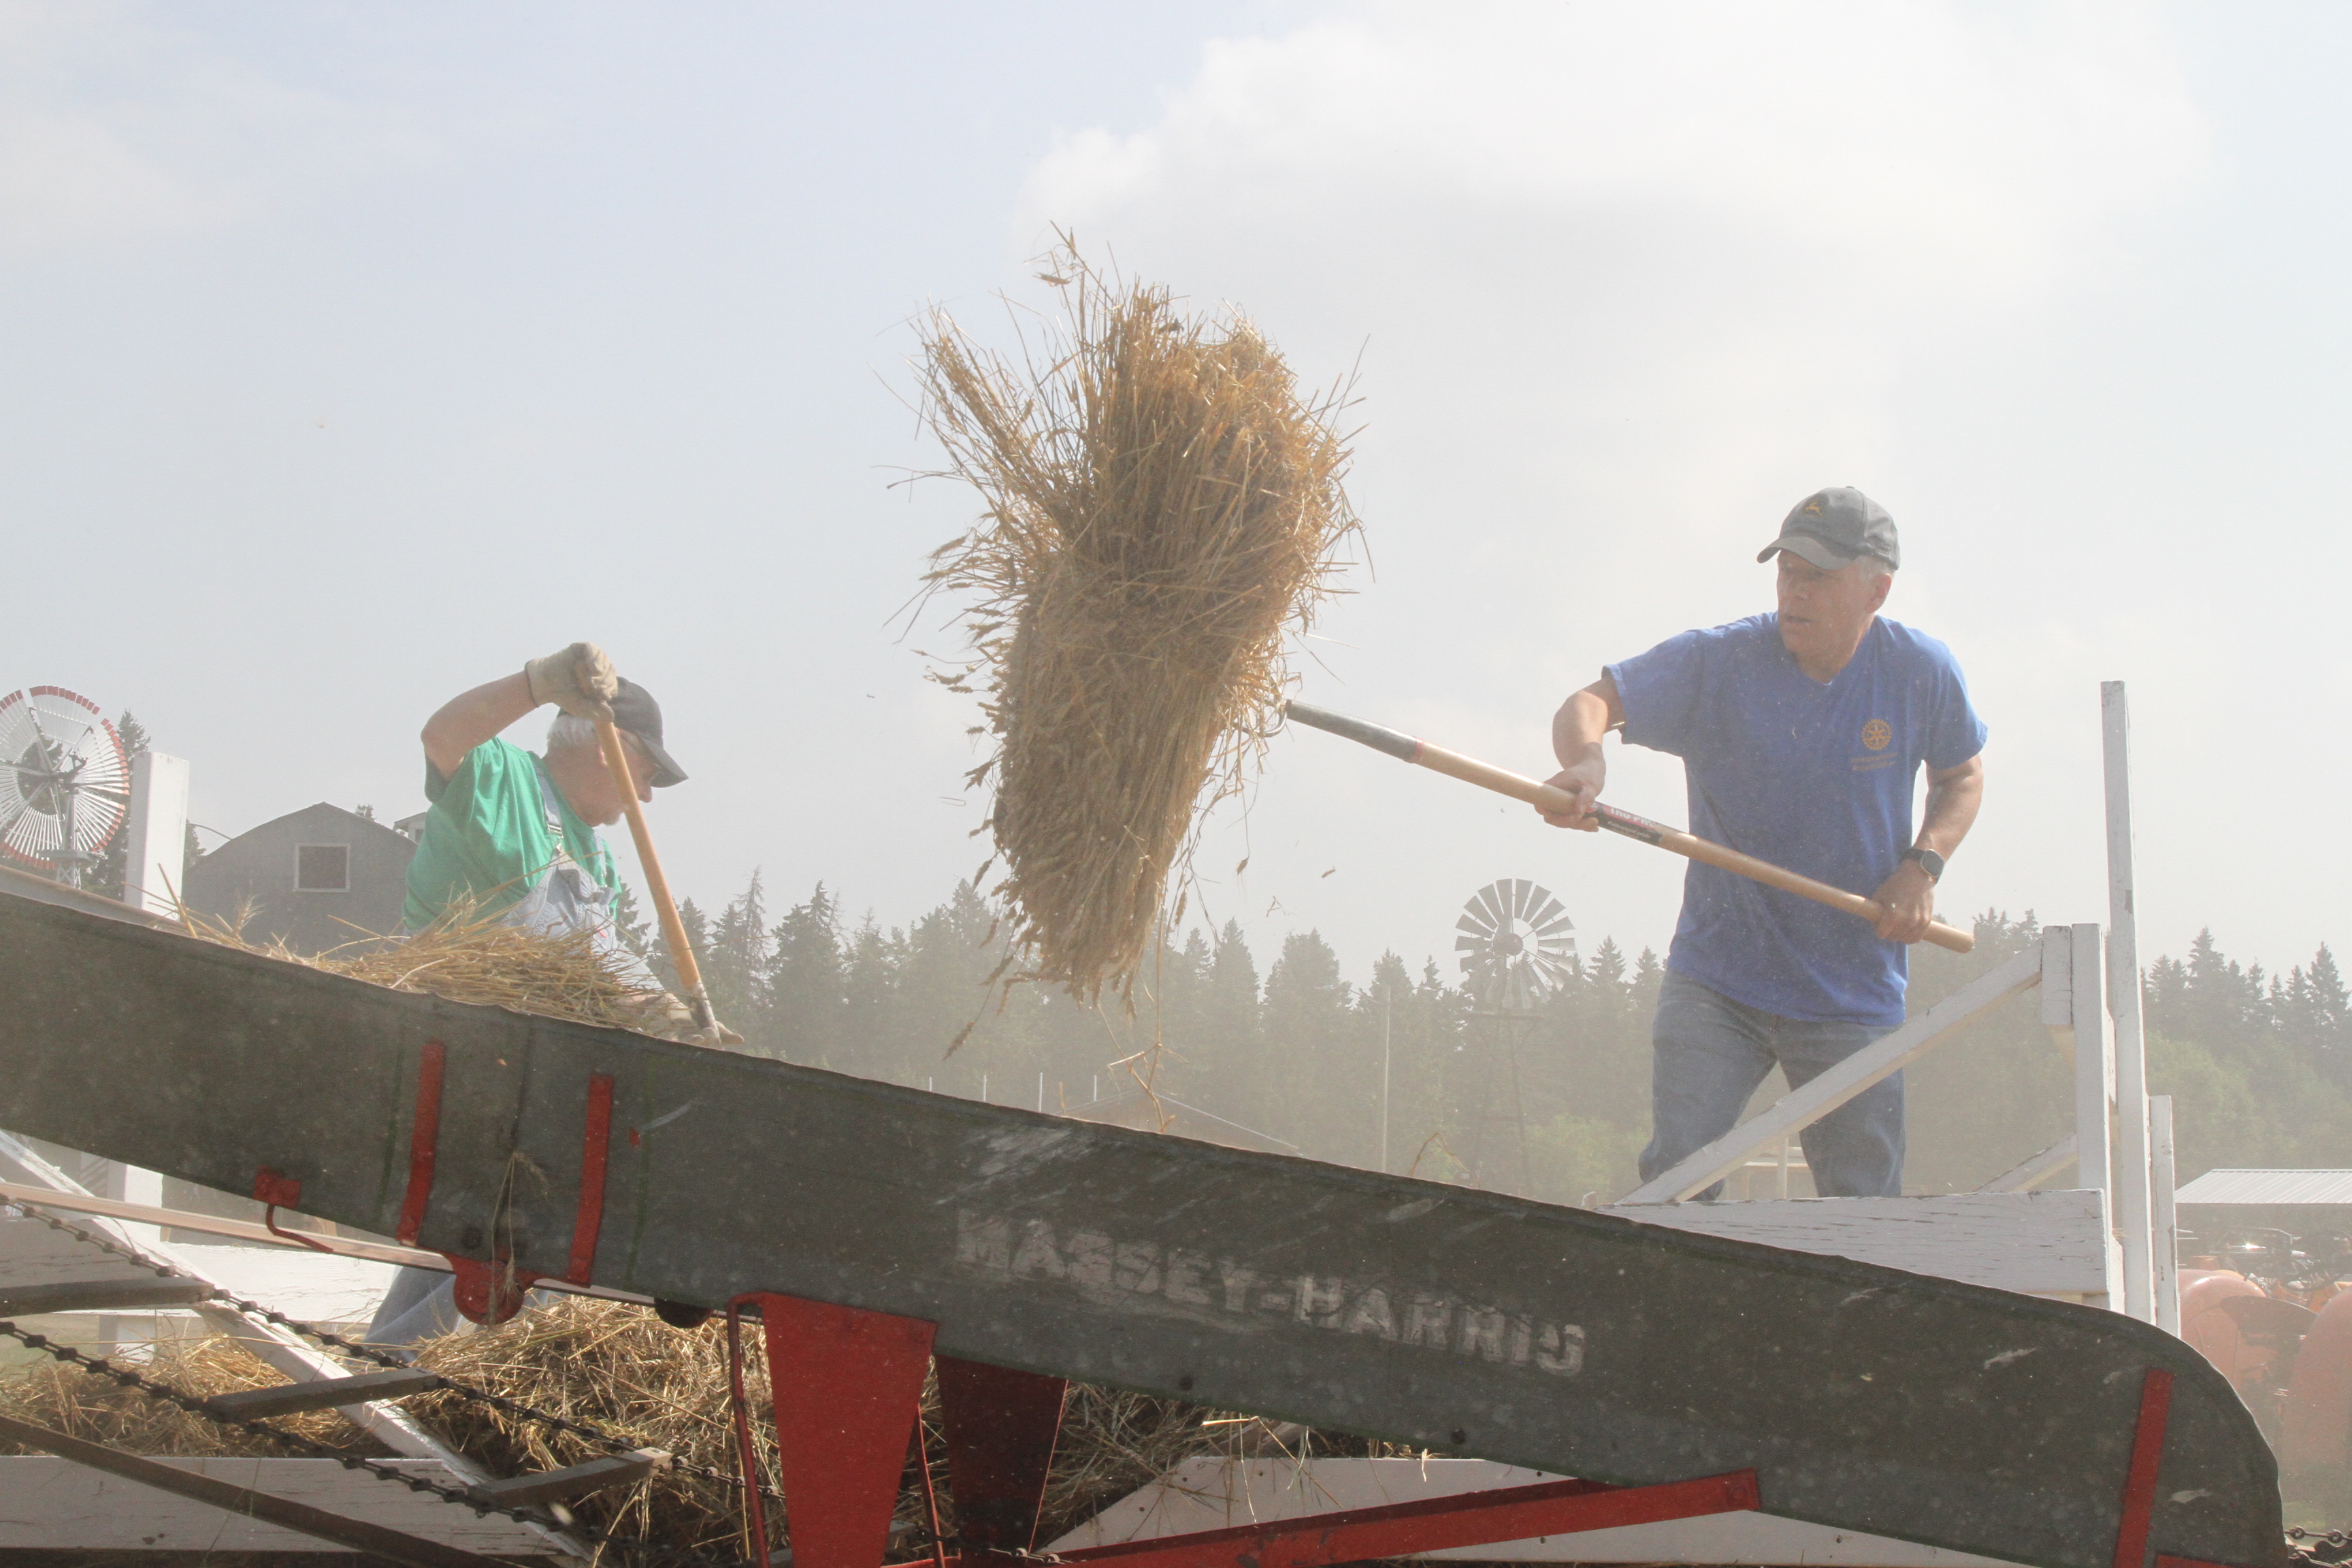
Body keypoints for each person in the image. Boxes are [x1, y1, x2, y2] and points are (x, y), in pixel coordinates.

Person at [1540, 488, 1986, 1199]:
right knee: (1680, 1177)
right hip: (1720, 978)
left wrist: (1922, 867)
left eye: (1819, 576)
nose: (1795, 592)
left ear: (1877, 589)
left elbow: (1962, 776)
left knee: (1863, 1202)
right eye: (1787, 572)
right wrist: (1588, 763)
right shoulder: (1719, 661)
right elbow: (1589, 705)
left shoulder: (1919, 672)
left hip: (1853, 986)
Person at [370, 641, 729, 1345]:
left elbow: (600, 961)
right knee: (545, 1246)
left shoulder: (593, 853)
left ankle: (375, 1372)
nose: (647, 798)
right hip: (466, 1058)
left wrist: (671, 1015)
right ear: (606, 745)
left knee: (478, 1235)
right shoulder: (502, 781)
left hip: (528, 1085)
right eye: (647, 772)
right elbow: (441, 735)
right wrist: (538, 684)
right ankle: (392, 1373)